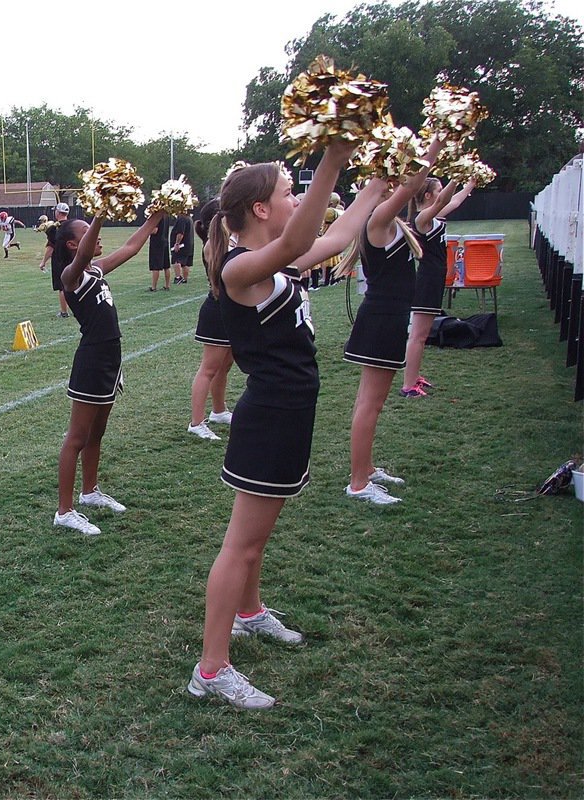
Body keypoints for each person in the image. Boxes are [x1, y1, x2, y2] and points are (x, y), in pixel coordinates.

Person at [186, 144, 385, 709]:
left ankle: (249, 614)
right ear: (262, 210)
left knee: (255, 540)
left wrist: (378, 183)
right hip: (270, 418)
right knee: (241, 545)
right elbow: (302, 239)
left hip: (288, 415)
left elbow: (336, 237)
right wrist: (335, 157)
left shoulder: (276, 260)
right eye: (287, 192)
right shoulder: (239, 270)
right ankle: (210, 669)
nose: (297, 198)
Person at [53, 207, 167, 536]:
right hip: (91, 361)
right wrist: (101, 213)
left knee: (97, 434)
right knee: (76, 438)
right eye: (88, 231)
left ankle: (89, 492)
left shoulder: (97, 270)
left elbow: (131, 247)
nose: (97, 235)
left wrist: (154, 219)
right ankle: (65, 511)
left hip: (111, 358)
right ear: (74, 246)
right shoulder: (70, 277)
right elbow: (87, 250)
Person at [342, 137, 444, 505]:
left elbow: (412, 186)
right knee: (371, 403)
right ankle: (358, 483)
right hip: (382, 318)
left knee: (371, 402)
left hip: (387, 316)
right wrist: (435, 142)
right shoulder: (378, 220)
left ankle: (366, 469)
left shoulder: (388, 221)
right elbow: (413, 185)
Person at [401, 178, 474, 397]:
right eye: (438, 190)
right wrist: (456, 177)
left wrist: (470, 183)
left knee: (421, 335)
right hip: (427, 280)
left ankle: (414, 378)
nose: (442, 193)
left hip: (434, 278)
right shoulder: (422, 218)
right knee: (418, 336)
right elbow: (444, 200)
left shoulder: (434, 216)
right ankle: (408, 386)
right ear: (428, 196)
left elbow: (455, 200)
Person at [186, 200, 234, 441]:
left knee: (224, 366)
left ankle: (219, 410)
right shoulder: (212, 246)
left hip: (231, 310)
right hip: (217, 311)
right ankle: (196, 422)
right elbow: (222, 282)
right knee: (209, 368)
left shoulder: (228, 241)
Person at [44, 202, 71, 317]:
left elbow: (51, 247)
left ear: (58, 212)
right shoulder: (73, 225)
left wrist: (43, 262)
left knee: (62, 286)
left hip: (59, 259)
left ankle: (64, 312)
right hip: (73, 258)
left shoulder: (54, 228)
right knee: (76, 284)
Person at [147, 215, 171, 291]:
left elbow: (155, 230)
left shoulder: (157, 216)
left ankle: (154, 287)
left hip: (157, 243)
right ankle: (167, 285)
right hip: (165, 241)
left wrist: (144, 231)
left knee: (155, 265)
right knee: (166, 265)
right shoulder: (166, 215)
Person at [170, 211, 194, 284]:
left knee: (176, 260)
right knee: (185, 263)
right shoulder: (189, 218)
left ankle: (178, 277)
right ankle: (185, 279)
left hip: (182, 244)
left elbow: (180, 232)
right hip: (189, 243)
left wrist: (177, 243)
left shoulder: (182, 219)